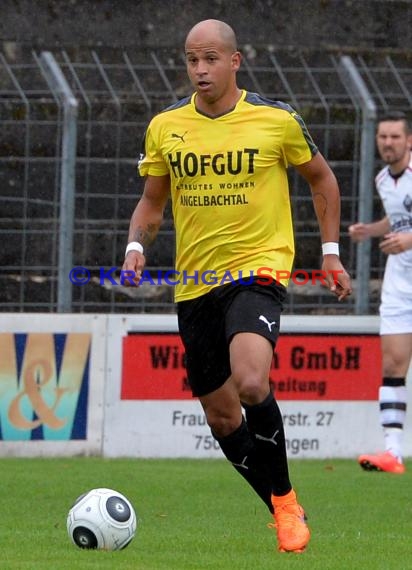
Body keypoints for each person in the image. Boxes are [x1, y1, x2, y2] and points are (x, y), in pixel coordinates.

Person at [123, 19, 352, 554]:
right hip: (195, 283)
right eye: (190, 60)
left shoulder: (275, 120)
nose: (199, 69)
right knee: (223, 416)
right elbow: (153, 202)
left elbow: (322, 179)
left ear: (234, 61)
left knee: (251, 382)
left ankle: (288, 503)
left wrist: (331, 254)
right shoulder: (166, 126)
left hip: (259, 269)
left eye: (209, 59)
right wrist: (136, 245)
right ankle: (279, 501)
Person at [349, 111, 412, 474]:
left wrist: (408, 239)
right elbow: (396, 216)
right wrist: (371, 231)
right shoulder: (383, 178)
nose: (387, 143)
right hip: (400, 283)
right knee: (392, 364)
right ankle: (393, 453)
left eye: (394, 137)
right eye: (383, 137)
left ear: (408, 141)